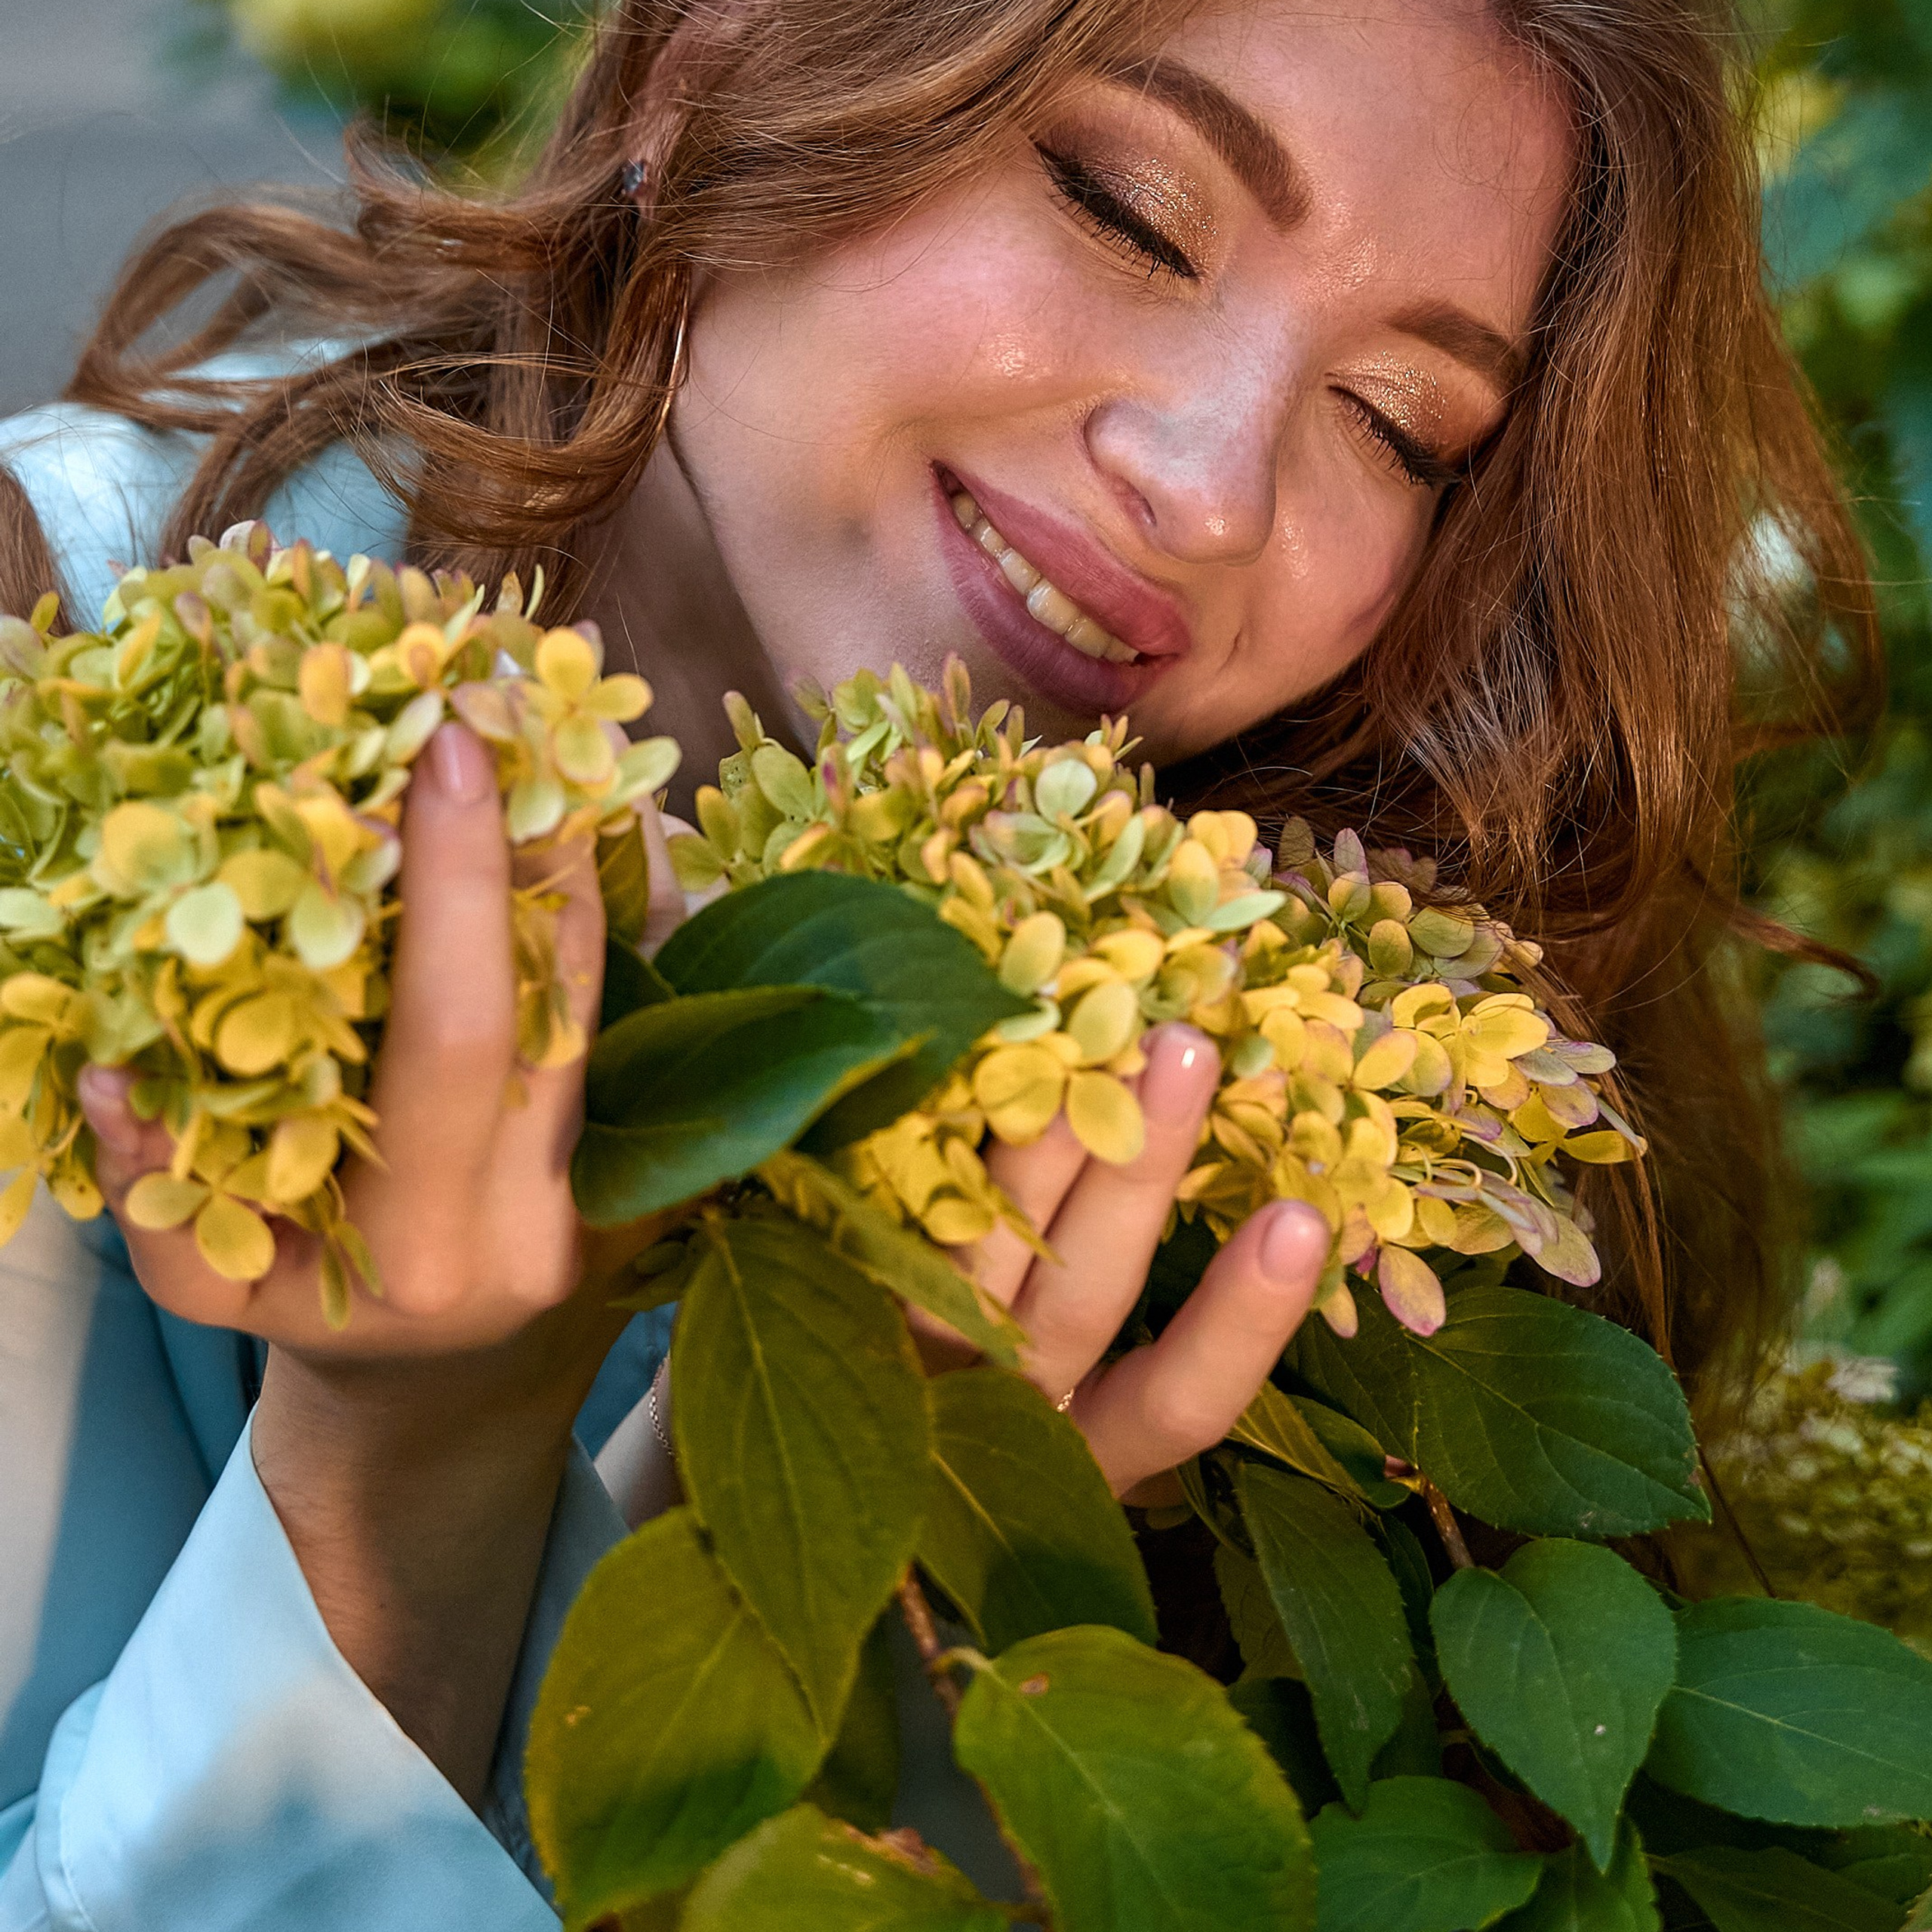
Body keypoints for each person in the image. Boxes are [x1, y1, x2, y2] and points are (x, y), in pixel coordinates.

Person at [0, 0, 1876, 1924]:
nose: (1212, 491)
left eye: (1395, 423)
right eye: (1127, 209)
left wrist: (795, 1534)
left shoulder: (1288, 1074)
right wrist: (399, 1472)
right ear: (714, 61)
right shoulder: (50, 706)